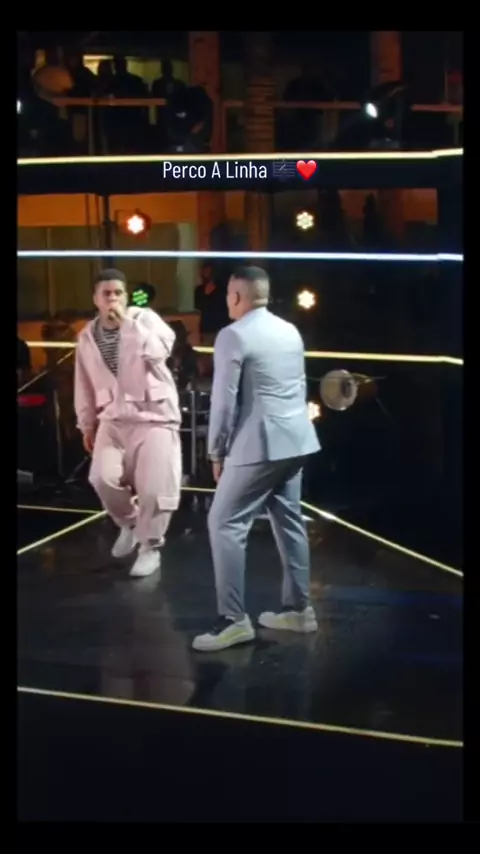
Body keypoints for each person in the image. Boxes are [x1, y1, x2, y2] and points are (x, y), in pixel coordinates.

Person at [192, 266, 321, 652]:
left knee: (224, 522)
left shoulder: (233, 335)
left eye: (228, 296)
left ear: (236, 296)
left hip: (259, 444)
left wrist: (216, 450)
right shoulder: (289, 330)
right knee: (289, 520)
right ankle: (299, 611)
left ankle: (233, 620)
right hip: (296, 440)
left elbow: (224, 400)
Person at [74, 269, 182, 578]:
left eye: (118, 293)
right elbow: (84, 382)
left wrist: (128, 325)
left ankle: (150, 547)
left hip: (154, 415)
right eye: (106, 293)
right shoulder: (87, 336)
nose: (113, 298)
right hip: (113, 417)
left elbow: (160, 351)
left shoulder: (144, 319)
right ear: (96, 299)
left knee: (154, 488)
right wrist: (87, 423)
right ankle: (130, 524)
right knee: (101, 478)